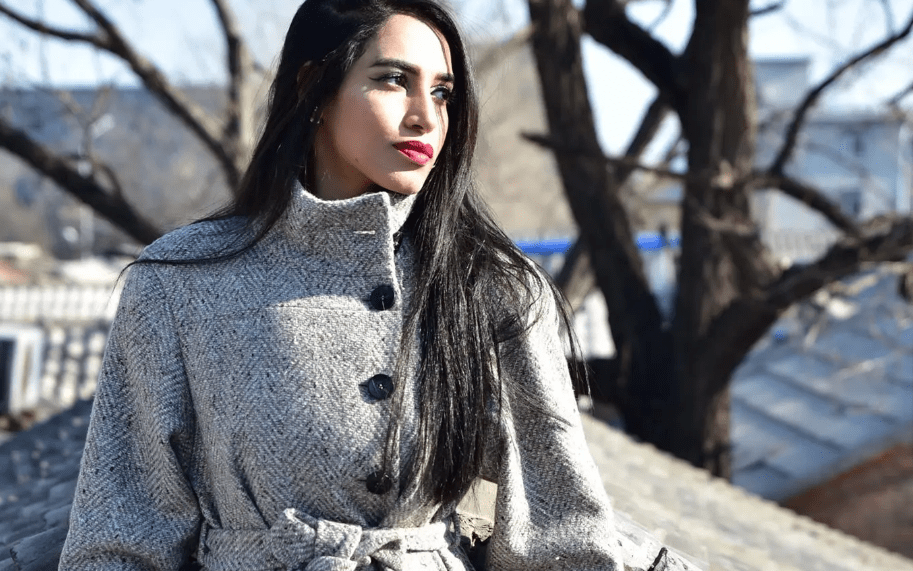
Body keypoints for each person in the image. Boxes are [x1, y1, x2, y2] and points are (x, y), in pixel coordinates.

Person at [58, 1, 628, 569]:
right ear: (313, 88)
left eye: (441, 93)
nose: (425, 118)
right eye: (393, 80)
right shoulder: (179, 281)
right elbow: (120, 537)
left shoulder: (494, 288)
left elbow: (564, 539)